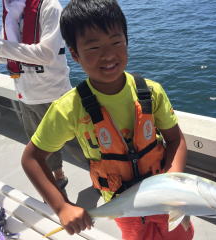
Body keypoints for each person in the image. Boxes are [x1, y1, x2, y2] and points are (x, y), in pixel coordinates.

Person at [21, 0, 194, 239]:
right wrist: (62, 206)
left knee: (182, 236)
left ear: (126, 42)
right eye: (93, 48)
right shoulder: (69, 108)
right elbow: (32, 158)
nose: (109, 55)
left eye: (116, 42)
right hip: (123, 207)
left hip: (167, 199)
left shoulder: (151, 91)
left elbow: (176, 140)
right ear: (74, 54)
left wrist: (172, 181)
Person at [0, 0, 71, 189]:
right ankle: (58, 175)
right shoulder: (12, 12)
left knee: (80, 138)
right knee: (41, 145)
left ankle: (101, 172)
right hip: (25, 95)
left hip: (55, 94)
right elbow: (7, 54)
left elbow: (46, 54)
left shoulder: (50, 7)